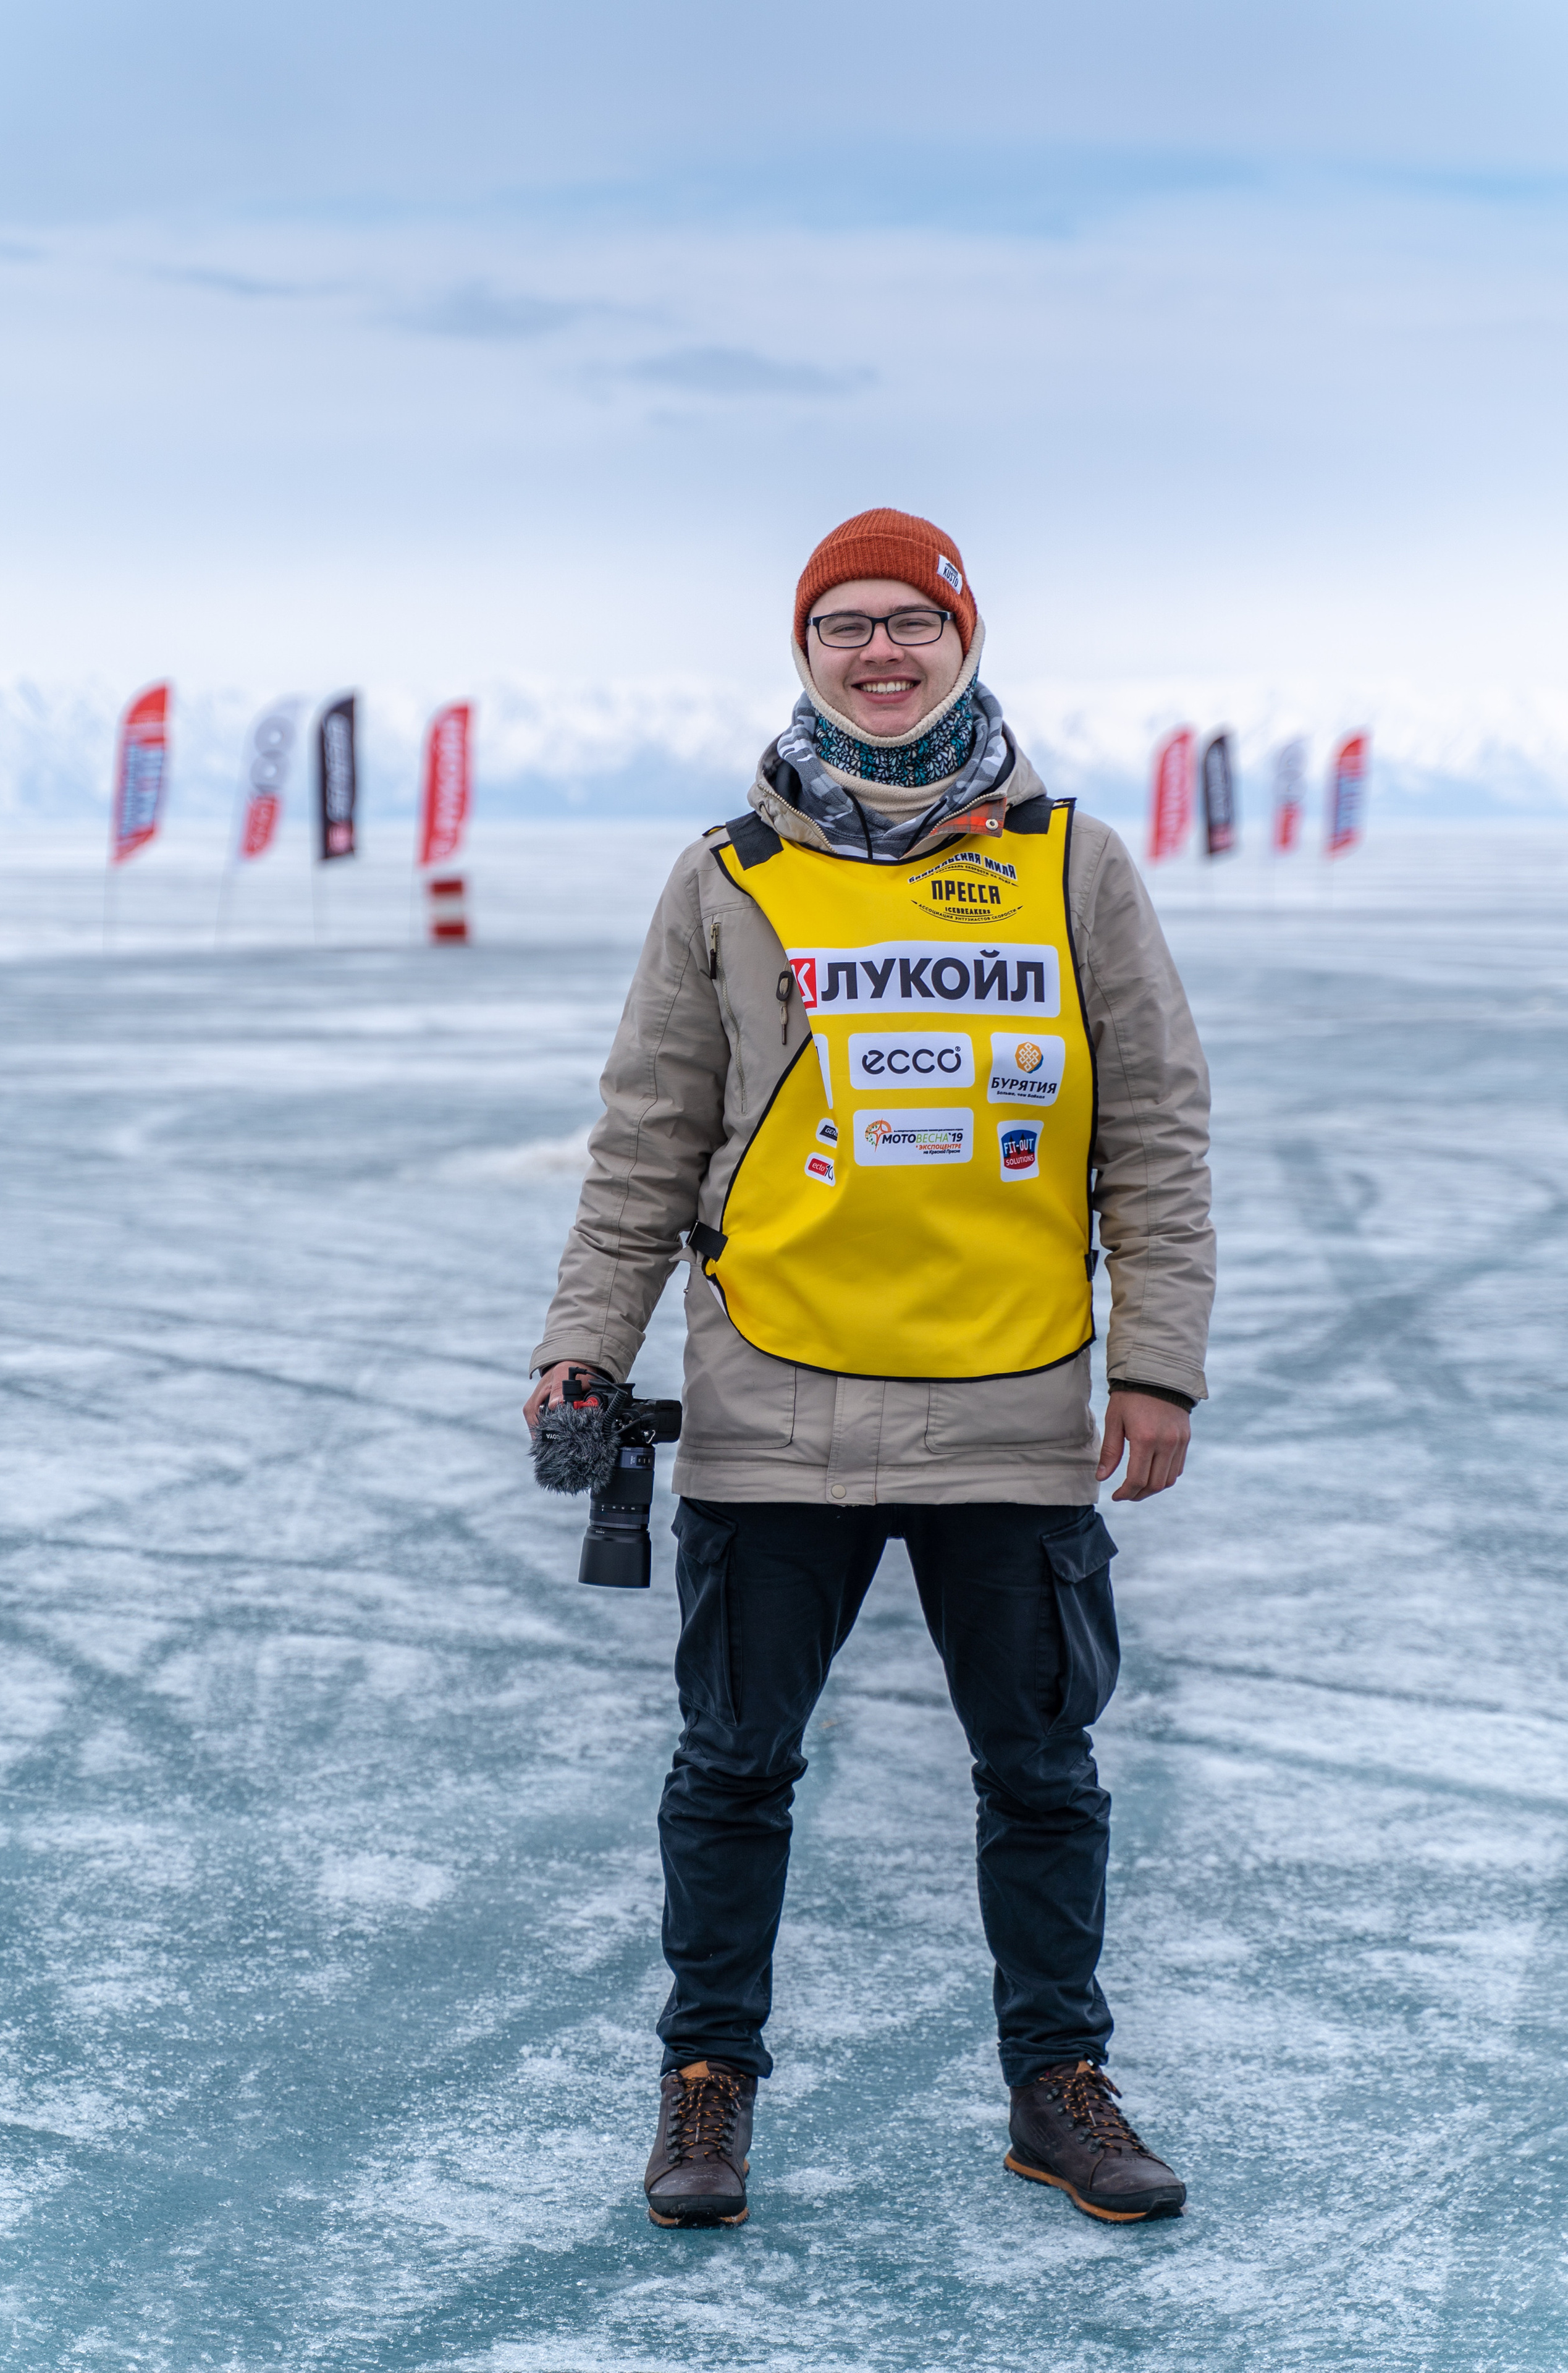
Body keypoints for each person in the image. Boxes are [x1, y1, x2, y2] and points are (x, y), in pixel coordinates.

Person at [526, 509, 1215, 2230]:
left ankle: (1058, 2089)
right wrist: (583, 1347)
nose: (881, 650)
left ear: (964, 641)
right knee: (732, 1771)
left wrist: (1159, 1364)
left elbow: (1154, 1131)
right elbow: (647, 1141)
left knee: (1042, 1774)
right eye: (846, 624)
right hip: (774, 1406)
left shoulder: (1072, 865)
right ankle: (707, 2086)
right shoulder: (729, 873)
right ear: (807, 650)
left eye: (913, 620)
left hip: (1014, 1404)